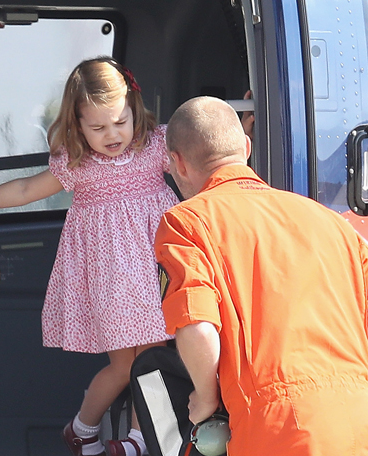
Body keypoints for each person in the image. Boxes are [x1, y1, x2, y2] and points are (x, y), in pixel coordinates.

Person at [0, 57, 179, 456]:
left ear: (135, 109)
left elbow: (202, 156)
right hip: (114, 281)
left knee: (154, 355)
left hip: (156, 272)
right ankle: (83, 429)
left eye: (120, 122)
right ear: (78, 126)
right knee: (125, 366)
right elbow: (24, 191)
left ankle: (137, 439)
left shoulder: (157, 144)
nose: (112, 134)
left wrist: (240, 132)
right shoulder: (78, 162)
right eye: (98, 127)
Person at [155, 96, 368, 455]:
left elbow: (198, 327)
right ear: (247, 148)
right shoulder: (335, 225)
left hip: (277, 431)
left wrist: (205, 400)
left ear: (177, 162)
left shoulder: (186, 223)